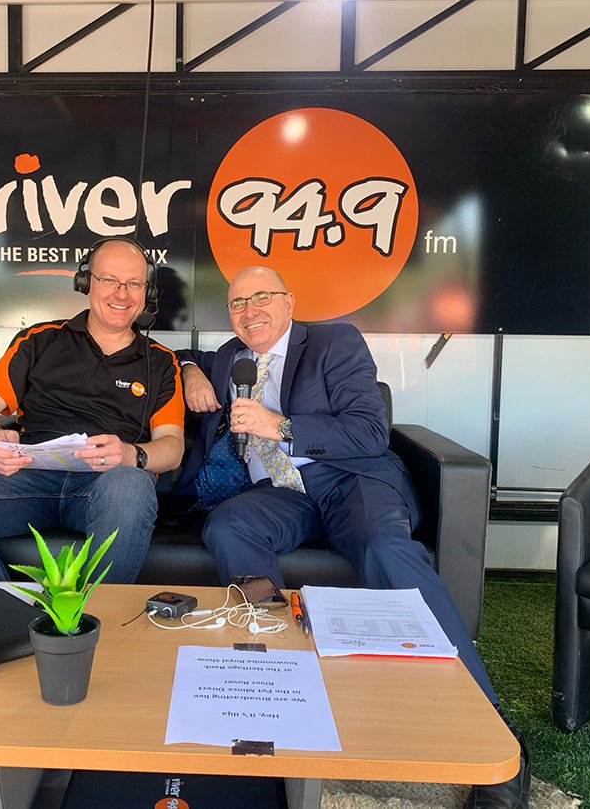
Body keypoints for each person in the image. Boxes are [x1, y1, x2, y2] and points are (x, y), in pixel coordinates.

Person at [174, 266, 529, 809]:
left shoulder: (334, 341)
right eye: (237, 303)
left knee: (386, 550)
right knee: (228, 525)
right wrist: (192, 371)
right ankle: (269, 685)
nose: (250, 311)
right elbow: (180, 358)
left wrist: (281, 425)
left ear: (290, 301)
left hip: (349, 480)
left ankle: (496, 740)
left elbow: (368, 430)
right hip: (284, 495)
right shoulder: (227, 358)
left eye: (262, 297)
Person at [0, 238, 184, 586]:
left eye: (134, 284)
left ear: (148, 293)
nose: (121, 293)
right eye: (109, 280)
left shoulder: (161, 362)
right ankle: (3, 620)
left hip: (106, 484)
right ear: (86, 283)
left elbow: (172, 447)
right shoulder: (39, 340)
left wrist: (132, 455)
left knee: (131, 485)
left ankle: (89, 626)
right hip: (27, 477)